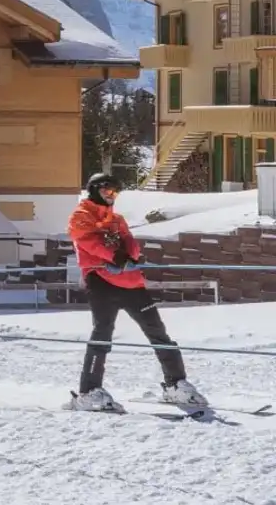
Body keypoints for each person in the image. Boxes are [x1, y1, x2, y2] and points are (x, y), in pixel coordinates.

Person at [67, 173, 206, 413]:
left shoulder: (117, 219)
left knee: (158, 331)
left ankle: (175, 383)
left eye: (115, 193)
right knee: (102, 334)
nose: (112, 197)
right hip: (101, 281)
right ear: (94, 190)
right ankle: (89, 391)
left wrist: (131, 254)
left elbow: (129, 239)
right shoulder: (81, 216)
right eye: (107, 192)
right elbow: (87, 241)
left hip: (131, 282)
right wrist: (113, 256)